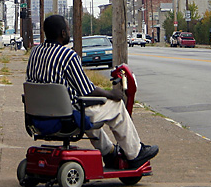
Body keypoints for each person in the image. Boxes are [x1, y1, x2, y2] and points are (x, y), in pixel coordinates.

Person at [27, 15, 158, 169]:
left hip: (38, 116)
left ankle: (108, 153)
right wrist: (111, 94)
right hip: (64, 118)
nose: (69, 33)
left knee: (88, 111)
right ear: (62, 33)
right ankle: (135, 154)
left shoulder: (34, 53)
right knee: (115, 107)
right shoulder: (67, 56)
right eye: (68, 29)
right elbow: (87, 90)